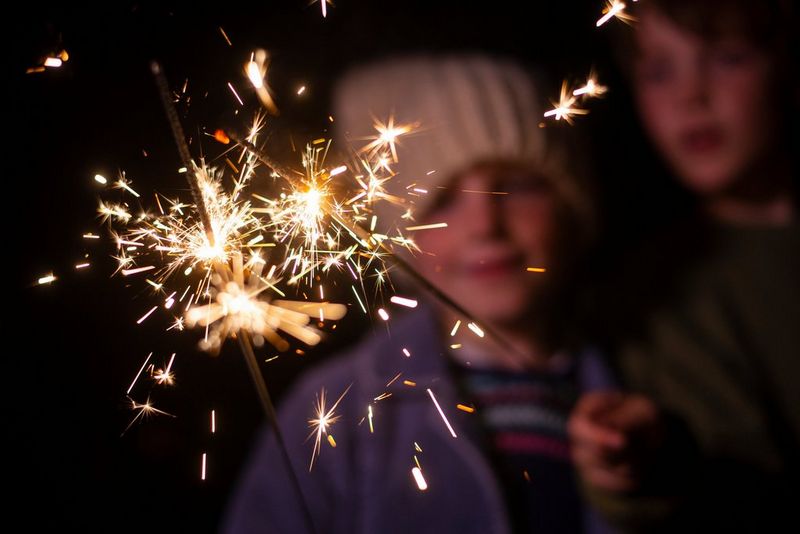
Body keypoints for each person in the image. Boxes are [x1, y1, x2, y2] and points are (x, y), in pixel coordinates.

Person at [223, 55, 615, 533]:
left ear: (573, 207)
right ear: (398, 238)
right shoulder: (339, 408)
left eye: (515, 185)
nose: (484, 225)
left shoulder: (645, 371)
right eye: (443, 199)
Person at [569, 0, 798, 531]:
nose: (691, 96)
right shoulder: (653, 296)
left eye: (729, 58)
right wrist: (633, 468)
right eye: (659, 71)